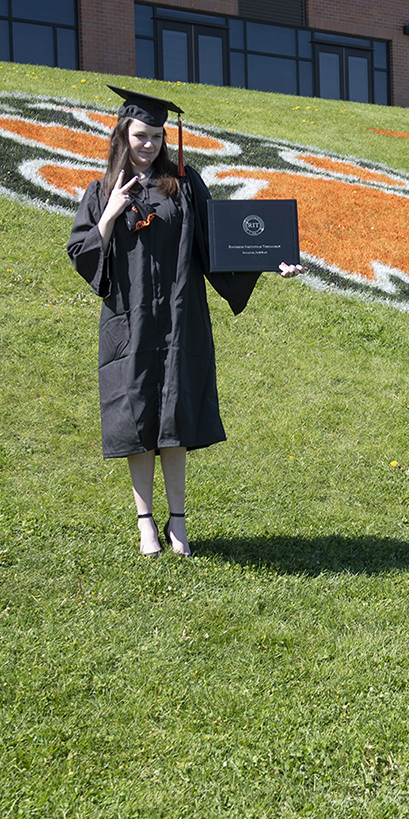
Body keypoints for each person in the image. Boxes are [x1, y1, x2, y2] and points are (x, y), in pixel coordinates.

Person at [67, 86, 304, 557]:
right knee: (137, 420)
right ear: (122, 136)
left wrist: (270, 259)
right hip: (129, 322)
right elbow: (81, 252)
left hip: (179, 318)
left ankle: (178, 524)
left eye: (156, 136)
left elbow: (218, 246)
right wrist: (111, 214)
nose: (149, 144)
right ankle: (145, 525)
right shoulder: (100, 192)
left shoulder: (185, 184)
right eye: (140, 135)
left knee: (173, 418)